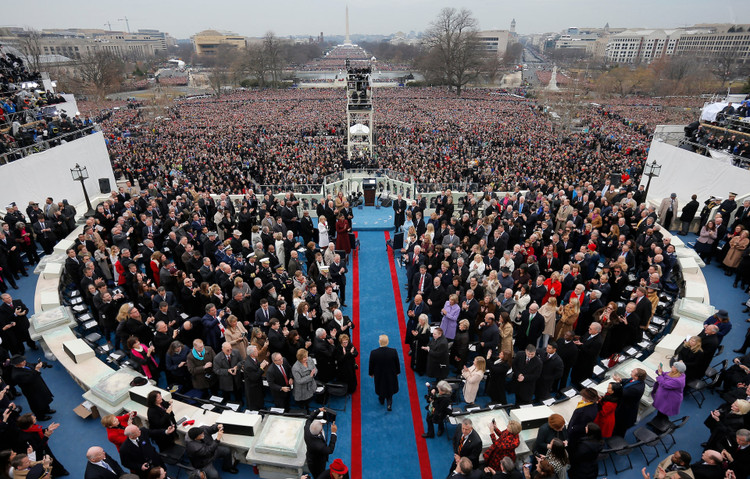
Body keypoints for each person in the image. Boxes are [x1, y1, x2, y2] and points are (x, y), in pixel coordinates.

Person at [9, 355, 54, 420]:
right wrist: (36, 370)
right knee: (37, 403)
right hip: (31, 391)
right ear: (17, 364)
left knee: (44, 398)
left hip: (38, 385)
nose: (25, 361)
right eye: (22, 361)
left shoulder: (24, 364)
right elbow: (29, 380)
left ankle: (47, 409)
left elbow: (32, 365)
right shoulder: (16, 375)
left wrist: (41, 364)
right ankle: (40, 416)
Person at [369, 334, 400, 411]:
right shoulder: (393, 351)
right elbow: (397, 363)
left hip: (379, 374)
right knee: (390, 386)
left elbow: (371, 364)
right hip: (391, 373)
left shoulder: (374, 353)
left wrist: (371, 373)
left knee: (380, 386)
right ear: (387, 342)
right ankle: (389, 403)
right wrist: (397, 371)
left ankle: (381, 399)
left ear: (379, 342)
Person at [613, 368, 647, 437]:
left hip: (626, 411)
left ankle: (618, 441)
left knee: (620, 427)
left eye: (633, 372)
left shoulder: (636, 389)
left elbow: (621, 392)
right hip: (624, 406)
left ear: (636, 377)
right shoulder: (637, 381)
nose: (631, 372)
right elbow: (628, 381)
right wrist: (621, 380)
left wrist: (617, 383)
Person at [304, 409, 338, 479]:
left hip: (311, 457)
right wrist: (333, 433)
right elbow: (330, 450)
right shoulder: (320, 446)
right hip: (317, 464)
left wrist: (318, 410)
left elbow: (310, 418)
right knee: (319, 476)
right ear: (320, 432)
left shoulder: (307, 428)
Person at [243, 344, 268, 411]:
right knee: (255, 403)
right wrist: (262, 367)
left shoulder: (253, 359)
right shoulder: (248, 365)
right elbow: (254, 377)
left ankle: (261, 408)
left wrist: (262, 364)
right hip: (253, 388)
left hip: (257, 386)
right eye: (256, 351)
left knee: (260, 400)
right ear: (252, 354)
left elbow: (256, 365)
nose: (258, 352)